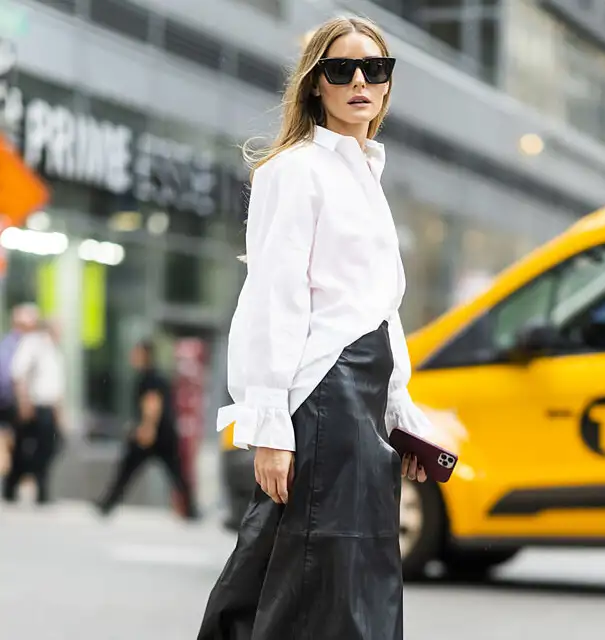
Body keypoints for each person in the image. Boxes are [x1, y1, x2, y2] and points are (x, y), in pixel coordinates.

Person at [196, 16, 434, 640]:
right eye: (340, 69)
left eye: (374, 69)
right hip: (325, 391)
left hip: (364, 389)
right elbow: (273, 297)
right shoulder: (293, 170)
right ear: (315, 85)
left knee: (344, 561)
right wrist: (270, 422)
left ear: (387, 85)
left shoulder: (364, 171)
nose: (359, 80)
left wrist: (400, 406)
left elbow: (378, 306)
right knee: (321, 564)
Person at [96, 340, 199, 520]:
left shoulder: (149, 377)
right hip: (164, 433)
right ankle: (191, 510)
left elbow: (152, 404)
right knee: (174, 473)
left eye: (136, 353)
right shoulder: (154, 376)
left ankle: (108, 503)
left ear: (144, 355)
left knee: (131, 468)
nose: (132, 357)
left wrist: (147, 428)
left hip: (158, 433)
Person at [4, 317, 65, 504]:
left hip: (48, 407)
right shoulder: (32, 344)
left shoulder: (55, 351)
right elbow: (19, 374)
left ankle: (32, 480)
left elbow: (56, 386)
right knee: (24, 447)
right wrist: (24, 402)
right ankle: (15, 485)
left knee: (52, 445)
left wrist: (60, 411)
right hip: (33, 406)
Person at [0, 304, 40, 480]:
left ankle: (17, 481)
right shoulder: (10, 346)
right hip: (11, 404)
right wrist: (22, 402)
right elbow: (8, 379)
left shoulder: (34, 344)